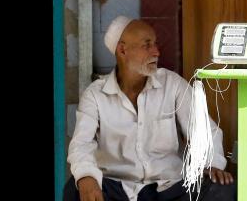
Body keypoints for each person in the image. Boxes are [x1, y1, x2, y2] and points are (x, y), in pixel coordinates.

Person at [65, 16, 236, 201]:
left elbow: (204, 131)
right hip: (116, 188)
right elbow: (81, 144)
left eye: (155, 44)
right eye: (147, 45)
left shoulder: (172, 84)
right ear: (122, 50)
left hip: (170, 187)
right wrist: (86, 176)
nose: (156, 52)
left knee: (220, 188)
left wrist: (210, 163)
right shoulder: (95, 95)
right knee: (75, 187)